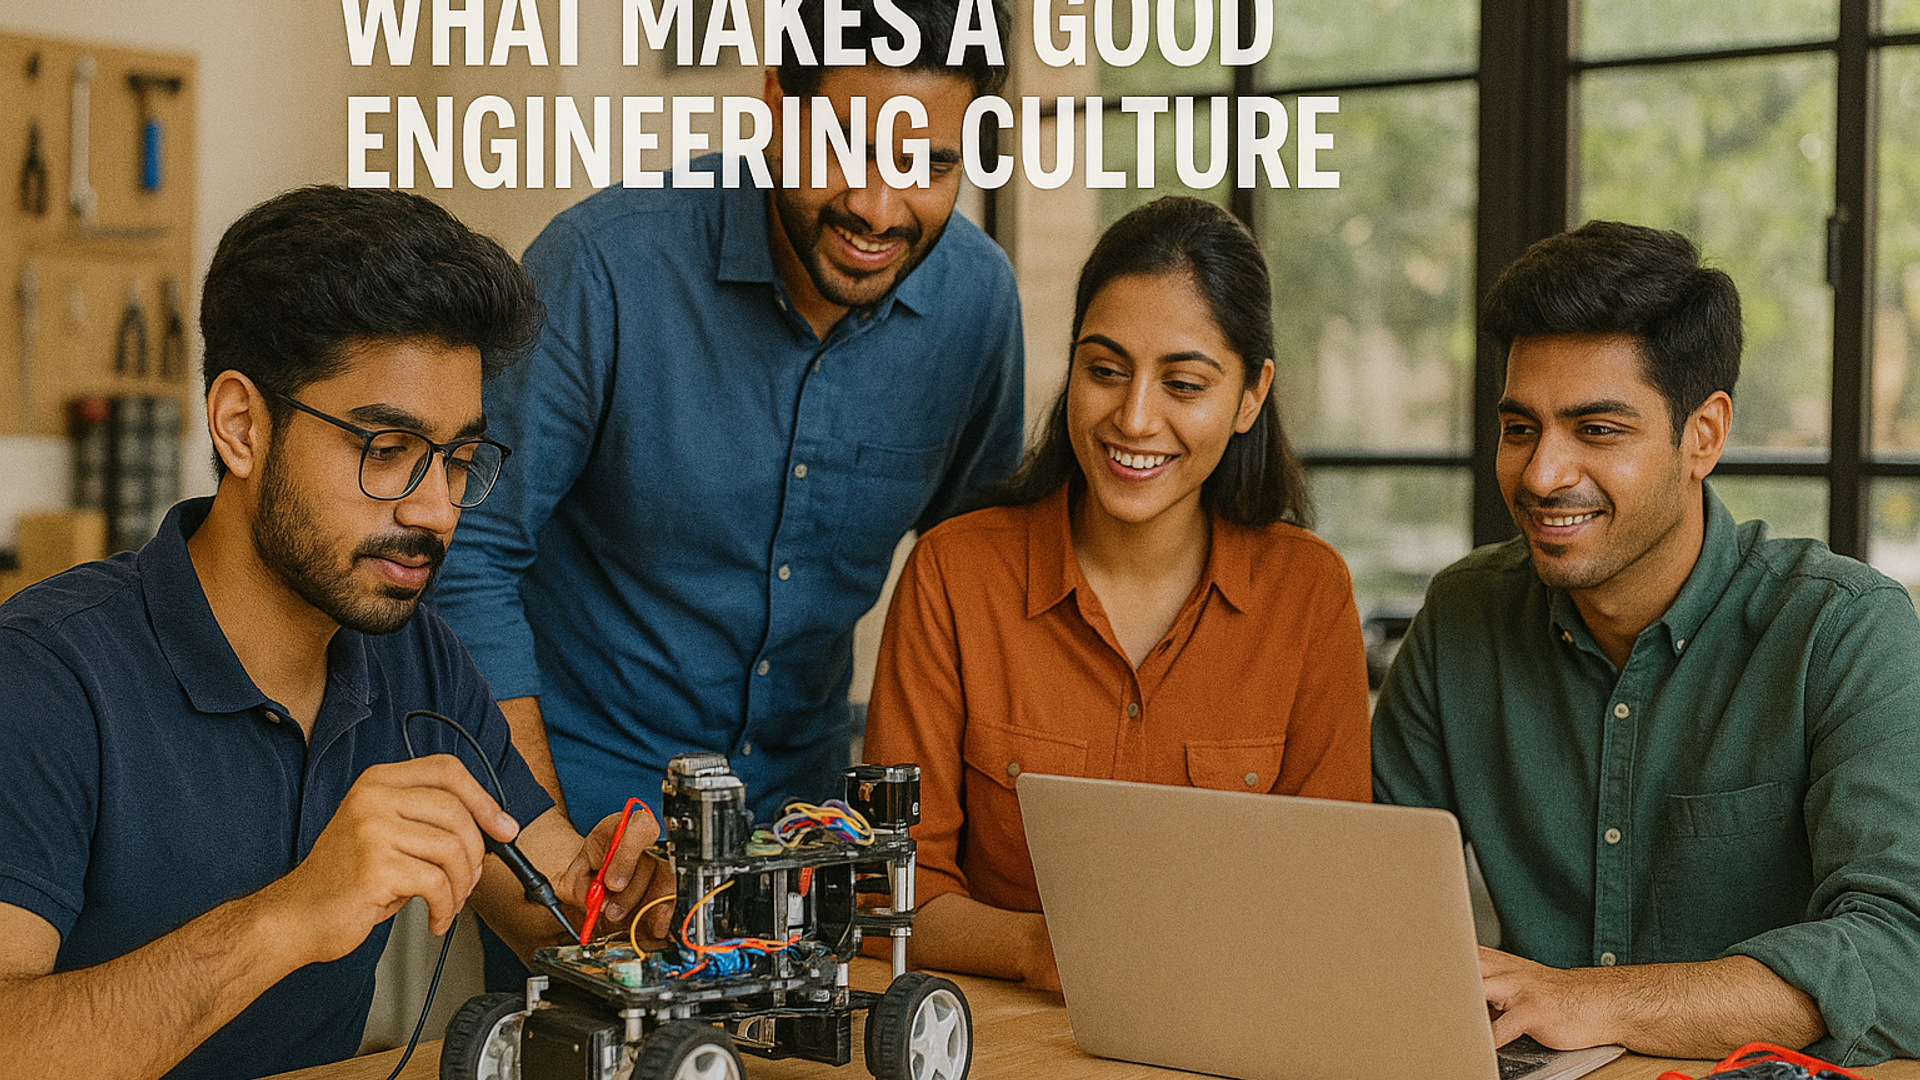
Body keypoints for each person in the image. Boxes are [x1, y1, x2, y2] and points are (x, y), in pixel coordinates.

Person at [0, 186, 671, 1080]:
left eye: (460, 460)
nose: (435, 512)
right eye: (385, 449)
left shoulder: (416, 656)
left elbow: (562, 908)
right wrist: (287, 917)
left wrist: (641, 897)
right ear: (241, 426)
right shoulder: (44, 675)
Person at [430, 0, 1025, 988]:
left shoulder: (979, 306)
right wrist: (541, 840)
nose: (881, 206)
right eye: (848, 146)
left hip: (805, 835)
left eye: (928, 163)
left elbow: (977, 579)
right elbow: (473, 548)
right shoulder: (604, 267)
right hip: (592, 827)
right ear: (775, 107)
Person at [1372, 220, 1920, 1065]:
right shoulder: (1461, 617)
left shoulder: (1843, 630)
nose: (1543, 473)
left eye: (1597, 430)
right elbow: (1368, 910)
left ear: (1703, 434)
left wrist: (1594, 1000)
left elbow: (1901, 957)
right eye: (1520, 428)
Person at [861, 196, 1373, 991]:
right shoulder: (953, 574)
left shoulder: (1308, 593)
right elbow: (892, 893)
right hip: (1003, 1043)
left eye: (1184, 383)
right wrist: (1048, 951)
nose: (1134, 418)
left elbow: (1332, 895)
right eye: (1105, 371)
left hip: (1229, 1032)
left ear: (1250, 395)